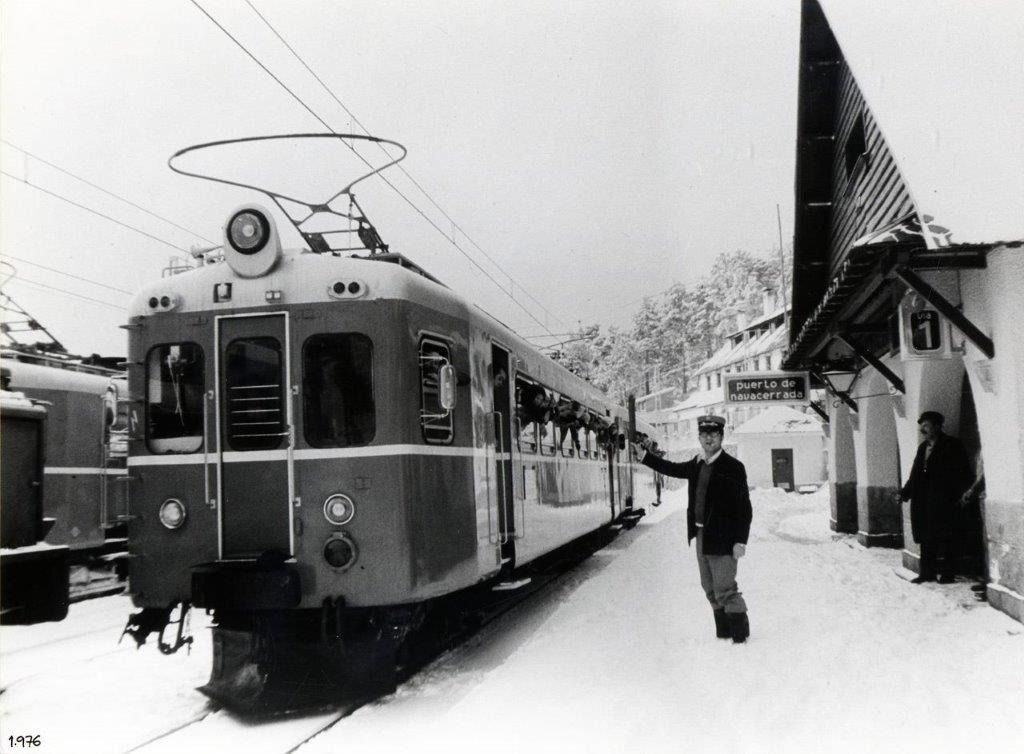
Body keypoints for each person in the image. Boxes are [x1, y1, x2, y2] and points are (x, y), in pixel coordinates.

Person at [632, 415, 752, 643]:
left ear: (721, 437)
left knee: (725, 588)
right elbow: (672, 468)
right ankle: (724, 632)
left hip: (724, 537)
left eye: (713, 435)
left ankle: (740, 636)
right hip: (701, 535)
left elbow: (744, 508)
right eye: (704, 435)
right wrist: (645, 457)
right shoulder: (697, 464)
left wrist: (740, 540)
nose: (709, 439)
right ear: (699, 437)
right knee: (708, 587)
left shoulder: (734, 468)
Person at [898, 411, 973, 584]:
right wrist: (904, 493)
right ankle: (927, 573)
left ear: (938, 426)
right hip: (924, 501)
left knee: (947, 537)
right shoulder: (923, 448)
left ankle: (948, 574)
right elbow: (915, 474)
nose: (922, 430)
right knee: (926, 538)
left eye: (926, 426)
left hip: (945, 500)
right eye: (921, 426)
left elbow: (963, 472)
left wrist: (960, 495)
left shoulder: (952, 445)